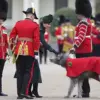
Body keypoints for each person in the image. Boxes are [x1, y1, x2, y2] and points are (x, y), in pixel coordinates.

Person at [9, 7, 40, 99]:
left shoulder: (18, 23)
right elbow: (36, 40)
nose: (34, 18)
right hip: (29, 50)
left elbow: (11, 37)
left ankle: (19, 94)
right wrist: (36, 52)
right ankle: (24, 92)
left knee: (19, 72)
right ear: (31, 16)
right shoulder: (35, 25)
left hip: (18, 50)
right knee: (28, 72)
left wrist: (13, 48)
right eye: (34, 17)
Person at [29, 14, 58, 97]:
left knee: (35, 72)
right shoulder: (40, 29)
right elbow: (44, 43)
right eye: (48, 24)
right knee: (34, 72)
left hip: (34, 51)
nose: (49, 25)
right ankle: (30, 91)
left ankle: (33, 90)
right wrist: (53, 50)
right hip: (32, 52)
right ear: (44, 23)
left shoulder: (41, 28)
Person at [70, 0, 92, 98]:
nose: (77, 15)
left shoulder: (83, 23)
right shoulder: (83, 22)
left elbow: (81, 36)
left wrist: (75, 46)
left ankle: (85, 91)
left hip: (83, 49)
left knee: (83, 71)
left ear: (81, 13)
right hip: (82, 49)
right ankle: (84, 91)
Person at [0, 0, 8, 96]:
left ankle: (0, 90)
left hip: (2, 55)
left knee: (0, 74)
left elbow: (6, 43)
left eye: (2, 19)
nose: (1, 20)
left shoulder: (4, 30)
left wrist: (7, 53)